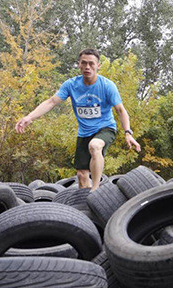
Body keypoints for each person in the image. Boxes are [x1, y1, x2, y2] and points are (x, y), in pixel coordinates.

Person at [15, 48, 141, 191]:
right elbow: (51, 102)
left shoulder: (107, 86)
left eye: (91, 64)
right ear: (79, 65)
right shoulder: (71, 85)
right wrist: (29, 117)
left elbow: (120, 110)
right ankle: (86, 204)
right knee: (81, 176)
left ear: (98, 66)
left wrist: (128, 132)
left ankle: (96, 190)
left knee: (95, 146)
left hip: (105, 128)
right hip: (84, 133)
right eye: (84, 63)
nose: (88, 67)